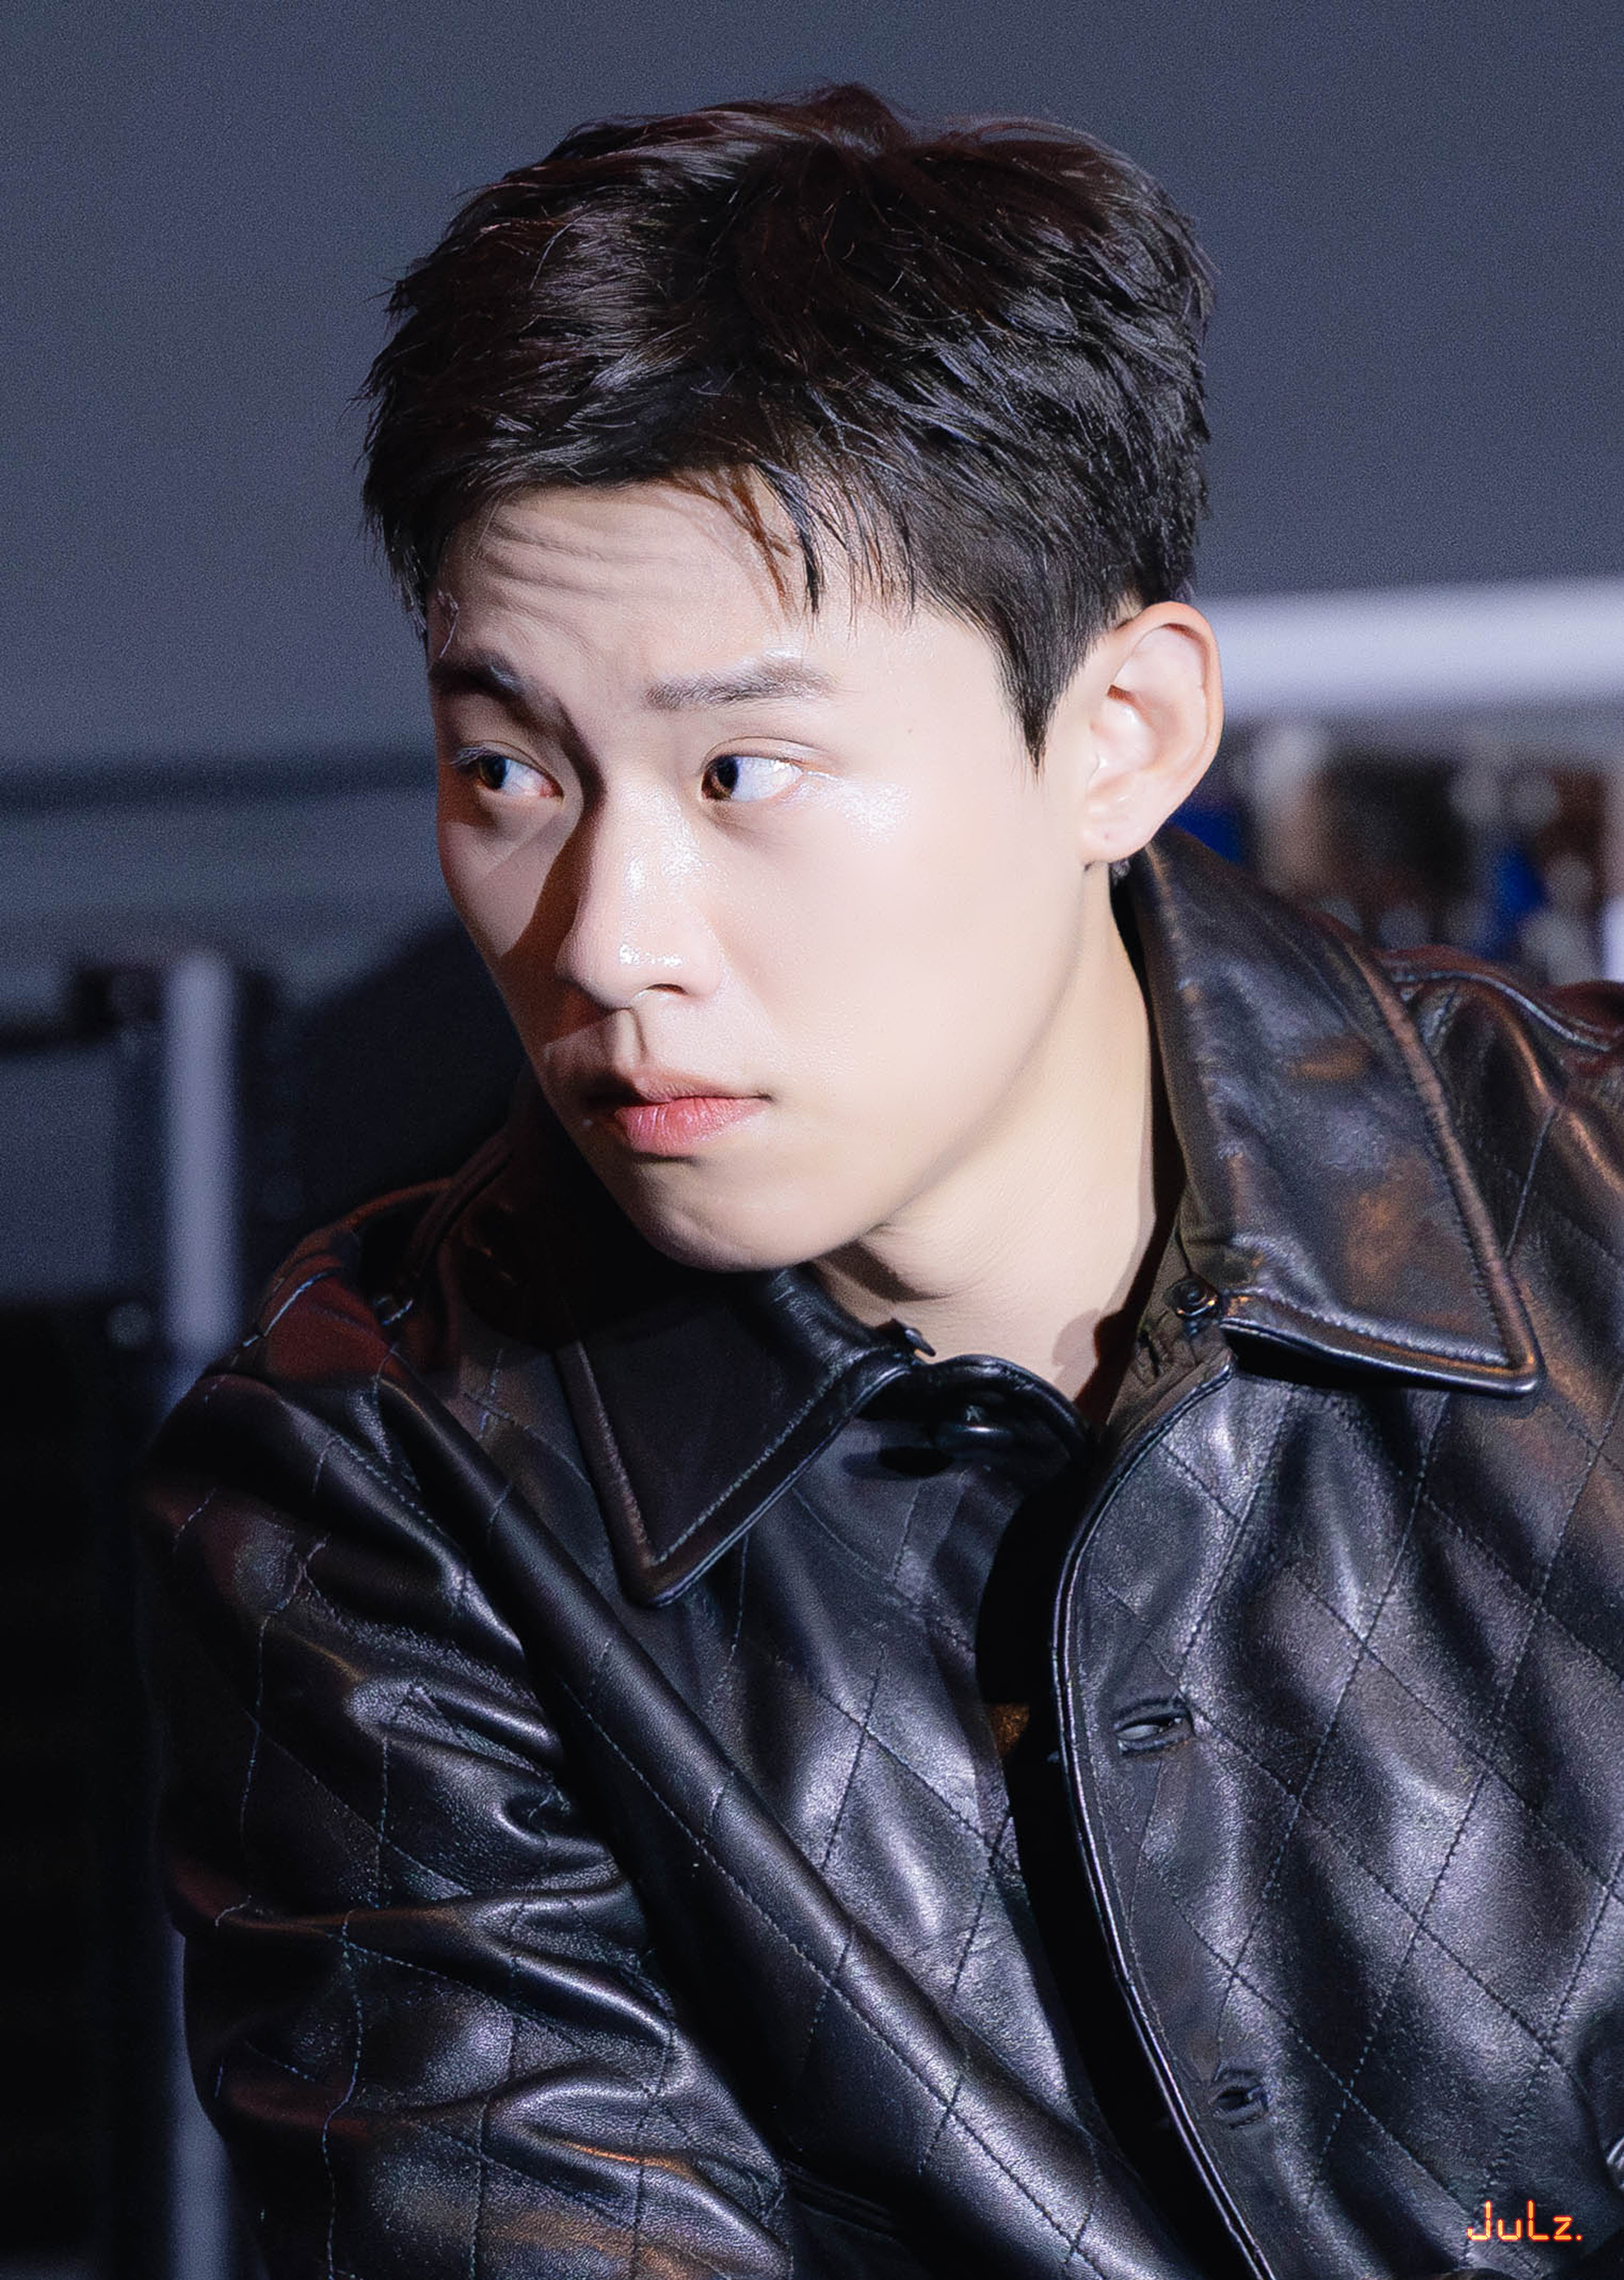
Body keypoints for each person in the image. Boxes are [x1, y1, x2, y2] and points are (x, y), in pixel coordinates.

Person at [140, 83, 1624, 2280]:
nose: (609, 935)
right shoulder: (383, 1488)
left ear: (1121, 736)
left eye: (744, 768)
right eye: (509, 769)